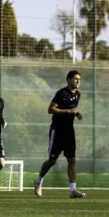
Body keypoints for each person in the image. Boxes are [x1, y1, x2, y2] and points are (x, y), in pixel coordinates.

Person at [33, 70, 85, 199]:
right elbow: (50, 109)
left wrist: (76, 113)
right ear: (68, 80)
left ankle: (73, 190)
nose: (78, 81)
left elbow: (72, 109)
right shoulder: (62, 93)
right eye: (75, 79)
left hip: (69, 131)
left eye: (79, 79)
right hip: (57, 130)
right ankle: (38, 181)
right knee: (52, 161)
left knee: (72, 160)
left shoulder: (77, 94)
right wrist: (68, 111)